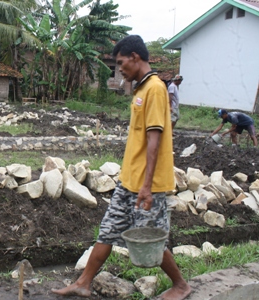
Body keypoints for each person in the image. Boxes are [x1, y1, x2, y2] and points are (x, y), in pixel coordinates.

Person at [52, 35, 191, 300]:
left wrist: (147, 187)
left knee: (149, 238)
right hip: (129, 181)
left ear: (135, 57)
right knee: (107, 231)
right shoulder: (141, 89)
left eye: (120, 63)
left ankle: (181, 285)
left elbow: (154, 140)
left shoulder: (155, 89)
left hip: (146, 185)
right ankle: (83, 282)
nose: (119, 69)